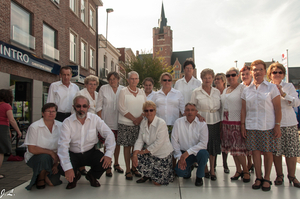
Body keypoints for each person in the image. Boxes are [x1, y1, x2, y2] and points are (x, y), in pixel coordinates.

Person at [57, 95, 116, 189]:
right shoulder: (67, 122)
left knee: (105, 162)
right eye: (78, 106)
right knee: (61, 167)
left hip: (90, 152)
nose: (81, 109)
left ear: (88, 107)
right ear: (74, 107)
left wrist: (108, 154)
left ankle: (91, 176)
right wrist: (68, 168)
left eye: (84, 106)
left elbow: (109, 135)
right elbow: (63, 146)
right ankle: (75, 175)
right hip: (74, 153)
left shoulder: (95, 118)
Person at [241, 60, 281, 191]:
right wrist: (242, 125)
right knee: (255, 152)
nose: (257, 72)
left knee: (268, 152)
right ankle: (258, 177)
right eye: (254, 69)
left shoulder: (271, 88)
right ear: (251, 72)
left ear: (265, 71)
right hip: (252, 125)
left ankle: (267, 178)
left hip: (267, 125)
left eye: (260, 69)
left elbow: (277, 108)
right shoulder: (246, 90)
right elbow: (243, 110)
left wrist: (277, 125)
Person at [267, 62, 300, 188]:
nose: (277, 74)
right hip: (274, 124)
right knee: (277, 152)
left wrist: (284, 94)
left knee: (291, 152)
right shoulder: (268, 87)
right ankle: (279, 175)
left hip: (289, 123)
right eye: (274, 72)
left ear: (283, 74)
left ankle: (292, 176)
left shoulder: (289, 86)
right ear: (270, 74)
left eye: (280, 72)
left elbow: (296, 102)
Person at [132, 101, 174, 185]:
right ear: (144, 112)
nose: (149, 112)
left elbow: (158, 143)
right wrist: (135, 154)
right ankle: (148, 174)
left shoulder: (161, 123)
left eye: (151, 110)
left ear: (155, 111)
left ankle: (156, 174)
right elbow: (140, 140)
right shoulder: (143, 122)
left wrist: (143, 151)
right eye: (146, 110)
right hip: (150, 154)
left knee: (156, 183)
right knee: (134, 155)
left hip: (162, 155)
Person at [190, 68, 221, 181]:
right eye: (205, 78)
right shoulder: (196, 92)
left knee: (213, 146)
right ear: (201, 79)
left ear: (212, 78)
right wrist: (198, 116)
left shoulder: (217, 92)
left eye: (209, 77)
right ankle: (205, 167)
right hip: (202, 122)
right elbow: (192, 108)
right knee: (204, 146)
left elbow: (221, 107)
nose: (207, 80)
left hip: (215, 122)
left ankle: (212, 169)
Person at [221, 68, 250, 183]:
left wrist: (243, 124)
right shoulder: (225, 90)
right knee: (232, 150)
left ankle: (246, 170)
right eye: (228, 75)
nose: (230, 77)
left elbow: (245, 107)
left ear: (237, 76)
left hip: (237, 122)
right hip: (226, 123)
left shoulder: (243, 89)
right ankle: (238, 170)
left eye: (233, 75)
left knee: (239, 150)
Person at [24, 103, 62, 190]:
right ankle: (40, 177)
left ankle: (45, 173)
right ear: (42, 113)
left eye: (53, 111)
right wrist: (50, 152)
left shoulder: (61, 126)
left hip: (55, 158)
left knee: (53, 183)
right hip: (36, 157)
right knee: (45, 157)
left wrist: (56, 164)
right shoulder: (34, 127)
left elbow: (63, 146)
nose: (51, 113)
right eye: (48, 111)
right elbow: (31, 149)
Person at [171, 103, 209, 186]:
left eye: (192, 110)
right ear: (184, 112)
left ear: (196, 112)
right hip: (183, 154)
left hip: (197, 153)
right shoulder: (178, 122)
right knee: (180, 173)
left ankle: (199, 177)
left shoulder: (202, 124)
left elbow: (203, 144)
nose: (190, 112)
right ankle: (188, 170)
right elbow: (174, 141)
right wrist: (180, 157)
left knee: (204, 154)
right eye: (187, 110)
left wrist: (187, 153)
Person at [118, 71, 146, 180]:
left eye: (136, 78)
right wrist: (133, 119)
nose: (134, 81)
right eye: (131, 79)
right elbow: (121, 108)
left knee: (136, 147)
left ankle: (135, 168)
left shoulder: (142, 92)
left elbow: (145, 107)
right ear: (128, 80)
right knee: (127, 146)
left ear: (138, 80)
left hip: (139, 123)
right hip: (126, 123)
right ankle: (128, 170)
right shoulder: (123, 91)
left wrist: (139, 119)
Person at [96, 72, 124, 177]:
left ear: (118, 79)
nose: (112, 81)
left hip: (120, 121)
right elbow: (99, 106)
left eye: (114, 79)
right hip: (107, 121)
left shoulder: (123, 89)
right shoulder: (103, 88)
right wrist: (101, 122)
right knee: (108, 144)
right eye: (110, 79)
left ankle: (116, 163)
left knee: (117, 144)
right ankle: (107, 166)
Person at [73, 75, 99, 176]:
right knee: (81, 142)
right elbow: (76, 108)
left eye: (94, 84)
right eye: (90, 84)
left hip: (94, 123)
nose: (92, 86)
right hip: (82, 121)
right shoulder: (80, 93)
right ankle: (81, 167)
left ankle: (92, 167)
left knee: (91, 144)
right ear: (86, 84)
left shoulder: (97, 94)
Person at [0, 89, 22, 180]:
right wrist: (18, 131)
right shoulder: (6, 106)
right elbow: (12, 120)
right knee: (1, 151)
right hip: (2, 128)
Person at [214, 73, 229, 174]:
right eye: (215, 79)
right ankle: (213, 164)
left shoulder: (228, 91)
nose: (217, 80)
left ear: (223, 80)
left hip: (225, 120)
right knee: (214, 143)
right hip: (215, 119)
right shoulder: (213, 92)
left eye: (219, 79)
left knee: (225, 143)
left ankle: (225, 164)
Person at [240, 65, 254, 172]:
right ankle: (248, 164)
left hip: (255, 120)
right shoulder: (241, 87)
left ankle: (254, 165)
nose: (245, 76)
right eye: (242, 74)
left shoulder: (256, 86)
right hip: (244, 119)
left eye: (247, 74)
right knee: (246, 145)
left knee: (255, 147)